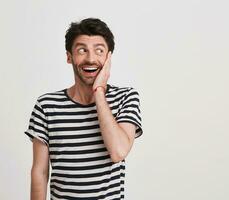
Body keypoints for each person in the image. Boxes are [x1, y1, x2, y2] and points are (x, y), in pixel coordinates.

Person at [24, 18, 143, 200]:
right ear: (69, 56)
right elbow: (39, 172)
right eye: (82, 50)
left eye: (99, 50)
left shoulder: (126, 97)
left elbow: (118, 151)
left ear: (108, 57)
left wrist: (99, 92)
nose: (90, 58)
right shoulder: (46, 106)